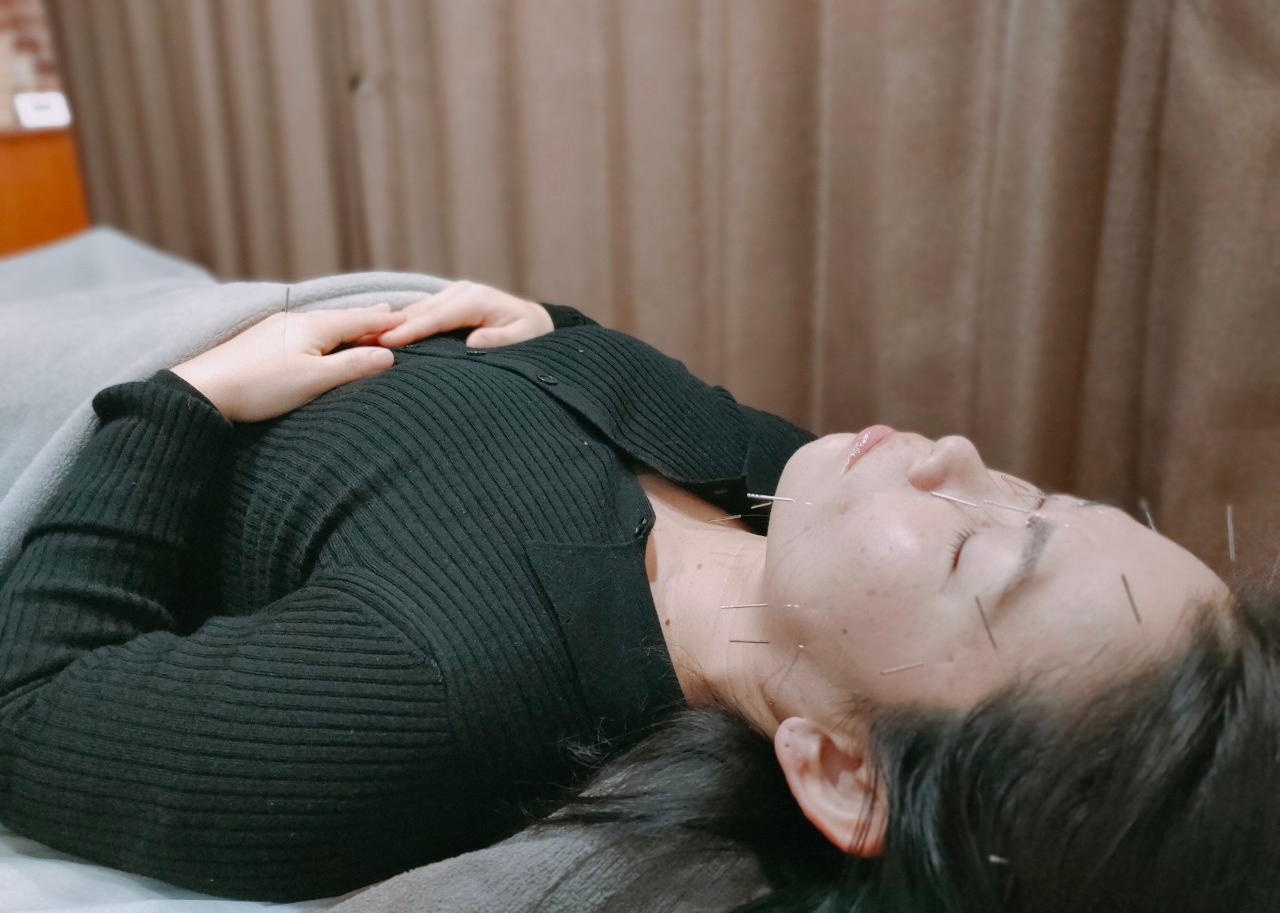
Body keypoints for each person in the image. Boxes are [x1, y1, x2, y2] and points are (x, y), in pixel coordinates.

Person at [0, 282, 1273, 910]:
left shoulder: (433, 693)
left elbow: (31, 704)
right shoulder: (789, 487)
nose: (954, 457)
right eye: (1042, 495)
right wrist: (547, 328)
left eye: (977, 555)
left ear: (841, 773)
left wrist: (181, 403)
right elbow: (558, 422)